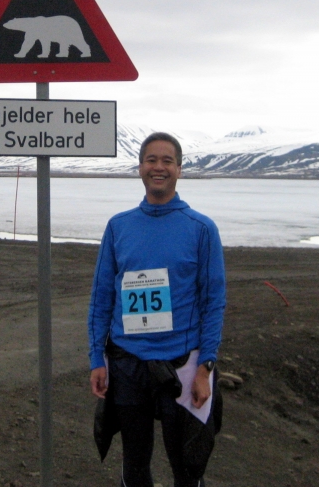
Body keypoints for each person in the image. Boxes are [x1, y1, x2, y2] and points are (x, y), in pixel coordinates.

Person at [88, 132, 226, 487]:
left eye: (167, 161)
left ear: (179, 169)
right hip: (127, 362)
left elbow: (213, 302)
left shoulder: (202, 229)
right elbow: (102, 296)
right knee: (135, 463)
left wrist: (205, 367)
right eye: (151, 160)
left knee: (186, 466)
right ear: (140, 168)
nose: (159, 167)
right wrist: (96, 358)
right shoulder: (119, 226)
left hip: (182, 364)